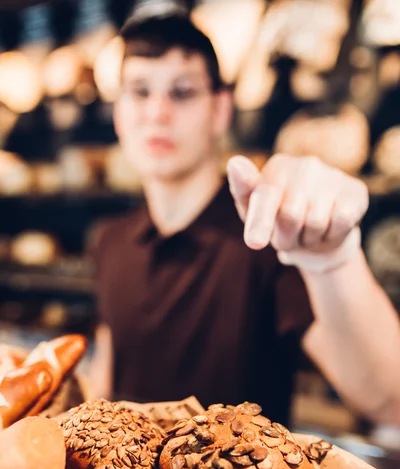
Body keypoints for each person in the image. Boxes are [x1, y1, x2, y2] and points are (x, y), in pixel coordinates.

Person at [89, 14, 400, 427]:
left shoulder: (270, 236)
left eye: (182, 92)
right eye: (139, 92)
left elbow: (389, 402)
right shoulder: (111, 241)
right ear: (119, 112)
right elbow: (106, 380)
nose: (157, 112)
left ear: (220, 109)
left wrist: (333, 261)